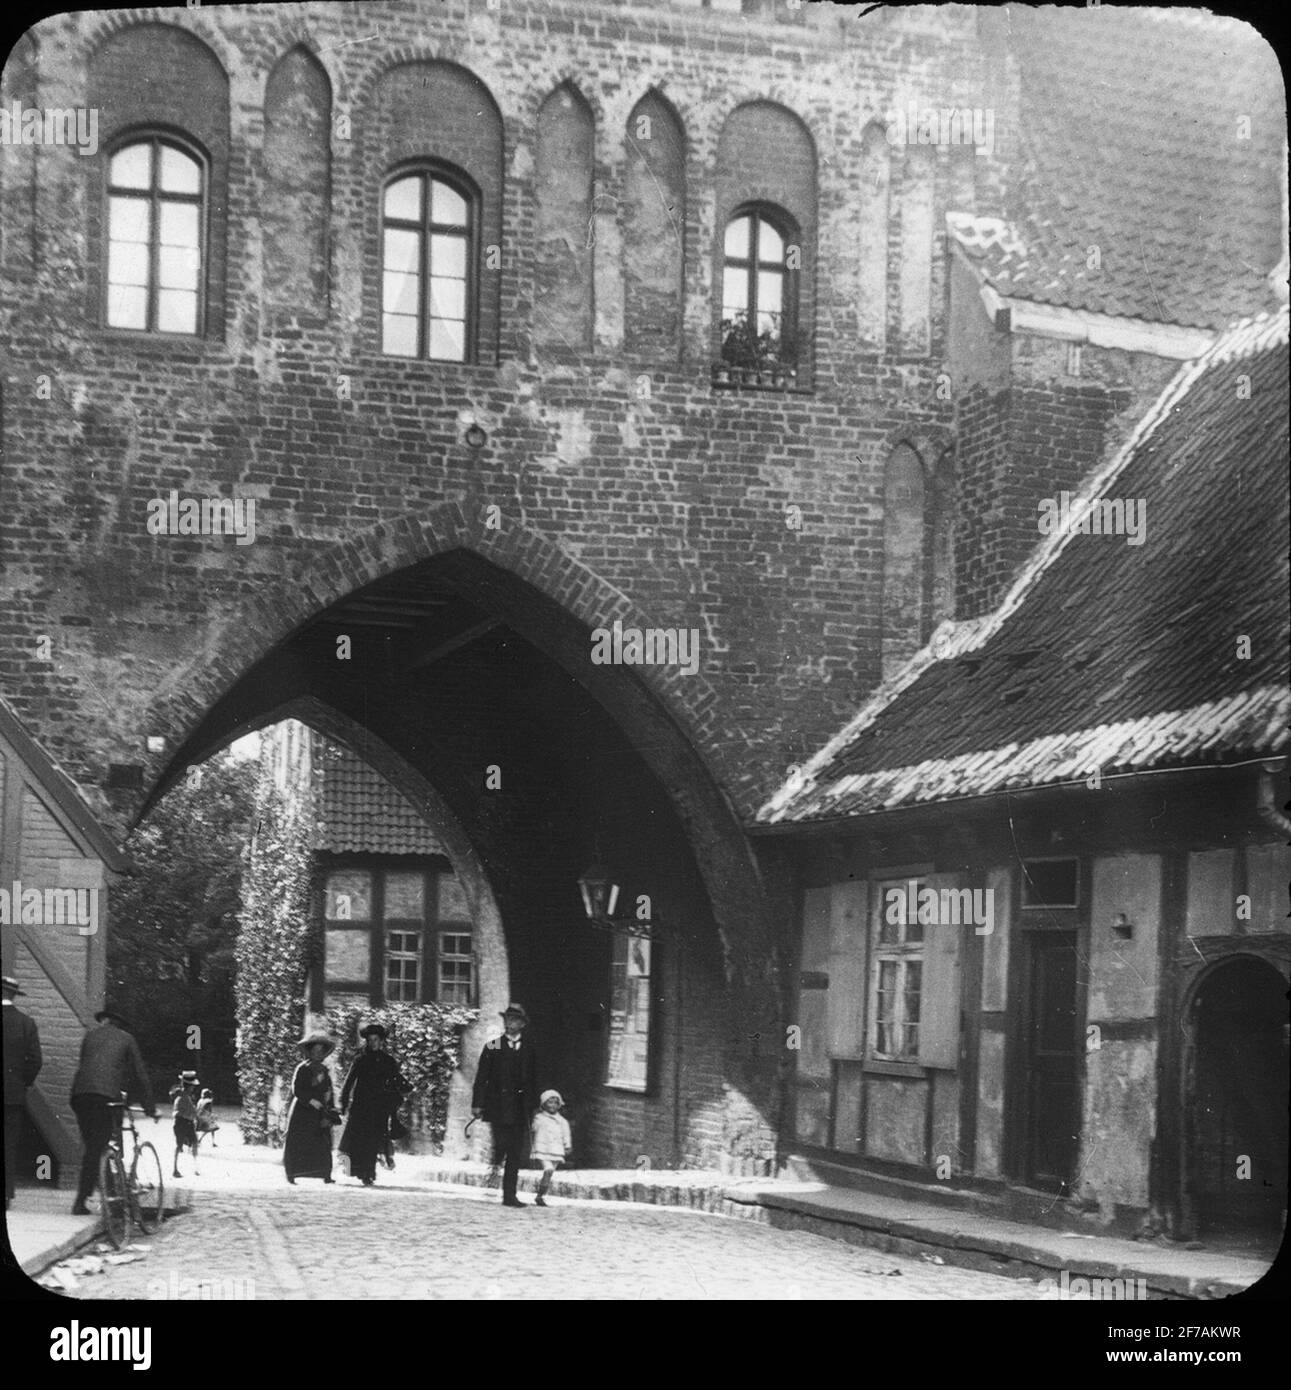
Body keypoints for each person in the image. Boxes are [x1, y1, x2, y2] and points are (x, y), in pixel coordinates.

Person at [69, 1005, 156, 1216]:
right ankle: (81, 1201)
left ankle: (110, 1195)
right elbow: (139, 1074)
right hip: (105, 1098)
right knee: (97, 1148)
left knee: (94, 1147)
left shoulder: (90, 1036)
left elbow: (87, 1066)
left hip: (80, 1096)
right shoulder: (126, 1039)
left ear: (105, 1020)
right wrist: (150, 1108)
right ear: (120, 1024)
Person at [472, 1003, 539, 1208]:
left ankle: (509, 1195)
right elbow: (481, 1076)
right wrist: (477, 1104)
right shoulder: (493, 1045)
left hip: (520, 1108)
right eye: (508, 1019)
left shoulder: (529, 1048)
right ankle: (494, 1167)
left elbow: (535, 1079)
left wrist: (534, 1105)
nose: (510, 1023)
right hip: (498, 1106)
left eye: (515, 1020)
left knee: (515, 1151)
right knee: (502, 1144)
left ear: (522, 1024)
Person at [339, 1023, 412, 1186]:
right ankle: (360, 1170)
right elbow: (349, 1081)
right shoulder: (360, 1059)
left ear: (381, 1041)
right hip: (361, 1106)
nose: (373, 1043)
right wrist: (343, 1102)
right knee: (360, 1139)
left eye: (376, 1040)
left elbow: (396, 1078)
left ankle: (369, 1172)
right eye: (370, 1040)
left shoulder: (387, 1061)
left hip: (379, 1106)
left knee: (374, 1139)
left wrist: (407, 1087)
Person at [3, 975, 42, 1211]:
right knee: (9, 1144)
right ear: (13, 995)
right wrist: (21, 1082)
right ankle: (6, 1195)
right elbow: (36, 1061)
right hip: (12, 1095)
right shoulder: (26, 1023)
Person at [283, 1033, 337, 1185]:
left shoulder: (324, 1070)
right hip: (302, 1112)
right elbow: (297, 1089)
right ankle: (293, 1173)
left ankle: (325, 1174)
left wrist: (330, 1108)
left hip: (320, 1113)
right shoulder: (302, 1068)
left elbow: (329, 1090)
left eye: (321, 1051)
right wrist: (311, 1101)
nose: (318, 1053)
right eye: (315, 1050)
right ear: (310, 1051)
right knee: (299, 1142)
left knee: (322, 1143)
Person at [531, 1089, 572, 1208]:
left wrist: (567, 1145)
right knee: (548, 1169)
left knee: (550, 1174)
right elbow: (533, 1129)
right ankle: (540, 1194)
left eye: (555, 1103)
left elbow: (566, 1134)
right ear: (543, 1104)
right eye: (550, 1102)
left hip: (556, 1150)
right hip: (542, 1149)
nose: (553, 1105)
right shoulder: (539, 1118)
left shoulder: (562, 1121)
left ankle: (540, 1195)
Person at [168, 1070, 201, 1179]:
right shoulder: (182, 1097)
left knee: (194, 1143)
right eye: (192, 1086)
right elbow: (178, 1112)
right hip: (181, 1123)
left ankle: (195, 1167)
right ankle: (175, 1169)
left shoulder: (186, 1096)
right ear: (188, 1086)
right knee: (179, 1146)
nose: (193, 1088)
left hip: (187, 1123)